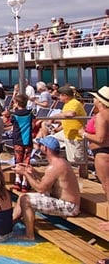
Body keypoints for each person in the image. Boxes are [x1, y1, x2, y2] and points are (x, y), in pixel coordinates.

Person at [13, 135, 81, 240]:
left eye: (41, 145)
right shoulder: (60, 162)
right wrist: (34, 172)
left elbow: (40, 188)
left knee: (25, 200)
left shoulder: (54, 167)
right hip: (68, 203)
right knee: (23, 196)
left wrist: (25, 174)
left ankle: (29, 235)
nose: (39, 147)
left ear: (45, 148)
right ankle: (11, 223)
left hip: (69, 206)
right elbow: (49, 179)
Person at [83, 86, 109, 231]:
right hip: (104, 152)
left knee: (107, 186)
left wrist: (84, 133)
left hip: (102, 153)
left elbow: (100, 138)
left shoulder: (101, 116)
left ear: (100, 101)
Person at [51, 85, 87, 178]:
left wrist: (55, 116)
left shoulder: (74, 103)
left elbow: (71, 114)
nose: (59, 97)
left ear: (65, 95)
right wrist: (58, 127)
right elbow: (66, 120)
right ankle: (58, 162)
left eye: (60, 95)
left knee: (79, 160)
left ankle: (83, 178)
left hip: (76, 136)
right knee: (50, 141)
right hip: (66, 133)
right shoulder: (67, 104)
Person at [10, 94, 34, 192]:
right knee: (26, 161)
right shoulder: (30, 113)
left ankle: (17, 181)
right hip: (28, 140)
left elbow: (11, 122)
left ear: (17, 103)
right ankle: (25, 182)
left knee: (18, 160)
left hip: (17, 140)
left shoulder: (14, 115)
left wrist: (14, 109)